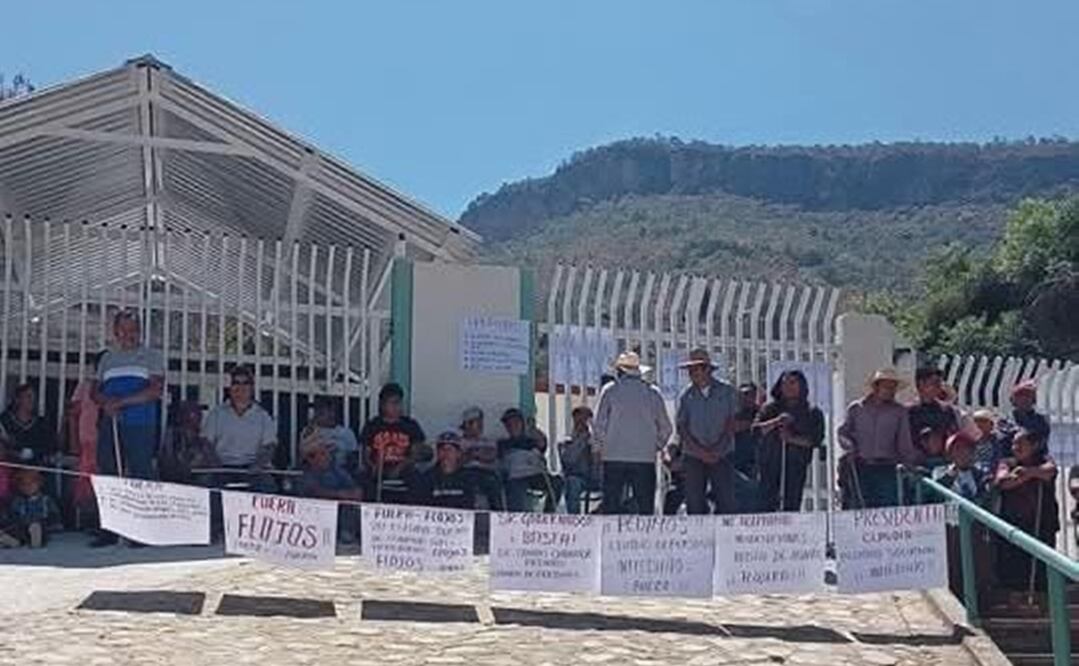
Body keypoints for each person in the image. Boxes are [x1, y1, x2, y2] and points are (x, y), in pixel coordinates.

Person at [593, 351, 672, 514]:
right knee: (644, 508)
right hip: (644, 457)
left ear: (620, 371)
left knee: (611, 507)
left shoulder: (610, 390)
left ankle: (611, 538)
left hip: (613, 455)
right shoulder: (652, 393)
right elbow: (666, 427)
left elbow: (598, 424)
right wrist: (656, 445)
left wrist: (601, 447)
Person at [93, 310, 165, 483]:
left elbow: (155, 390)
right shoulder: (107, 358)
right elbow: (94, 391)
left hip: (140, 424)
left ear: (140, 332)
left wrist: (120, 402)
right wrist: (106, 402)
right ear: (115, 332)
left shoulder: (151, 357)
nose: (129, 334)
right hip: (111, 423)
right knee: (108, 470)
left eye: (133, 330)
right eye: (123, 330)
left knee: (140, 472)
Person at [838, 367, 921, 508]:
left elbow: (904, 441)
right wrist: (849, 446)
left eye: (893, 388)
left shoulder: (899, 412)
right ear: (876, 387)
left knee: (886, 508)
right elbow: (843, 432)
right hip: (861, 467)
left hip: (887, 469)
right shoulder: (856, 409)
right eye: (887, 387)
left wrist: (910, 463)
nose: (891, 391)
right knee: (861, 507)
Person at [993, 428, 1059, 593]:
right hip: (1015, 524)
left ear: (1034, 445)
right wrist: (1028, 476)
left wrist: (1029, 473)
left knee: (1042, 568)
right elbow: (1003, 481)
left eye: (1021, 443)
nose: (1016, 447)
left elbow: (1049, 471)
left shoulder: (1044, 459)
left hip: (1042, 524)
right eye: (1014, 443)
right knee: (1015, 569)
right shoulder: (1007, 463)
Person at [675, 349, 738, 515]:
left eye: (696, 369)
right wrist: (700, 451)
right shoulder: (686, 396)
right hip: (694, 456)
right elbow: (682, 427)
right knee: (694, 502)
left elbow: (731, 422)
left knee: (726, 501)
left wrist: (718, 449)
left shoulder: (727, 392)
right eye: (690, 370)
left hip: (722, 454)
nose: (692, 373)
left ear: (708, 370)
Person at [755, 370, 826, 513]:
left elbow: (815, 440)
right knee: (766, 505)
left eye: (793, 382)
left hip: (796, 465)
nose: (788, 386)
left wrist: (791, 439)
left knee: (791, 504)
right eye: (784, 383)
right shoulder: (770, 409)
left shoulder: (812, 412)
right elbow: (755, 431)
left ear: (802, 385)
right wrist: (776, 422)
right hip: (769, 464)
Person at [200, 366, 278, 493]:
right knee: (204, 487)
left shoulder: (262, 416)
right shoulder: (217, 413)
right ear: (229, 387)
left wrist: (257, 466)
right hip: (222, 467)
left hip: (253, 470)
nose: (240, 388)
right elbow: (205, 443)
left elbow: (270, 446)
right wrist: (216, 466)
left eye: (245, 383)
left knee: (269, 487)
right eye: (236, 383)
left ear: (252, 388)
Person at [358, 383, 427, 504]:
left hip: (404, 468)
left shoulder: (410, 425)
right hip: (379, 467)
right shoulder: (373, 425)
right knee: (364, 482)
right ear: (383, 404)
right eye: (392, 403)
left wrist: (400, 467)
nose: (397, 407)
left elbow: (416, 453)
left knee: (419, 481)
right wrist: (373, 466)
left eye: (399, 403)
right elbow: (366, 454)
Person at [0, 384, 58, 519]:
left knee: (35, 480)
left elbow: (50, 447)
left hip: (35, 466)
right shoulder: (4, 421)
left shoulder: (41, 423)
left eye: (34, 397)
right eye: (28, 397)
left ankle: (42, 519)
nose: (32, 401)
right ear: (18, 399)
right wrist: (14, 453)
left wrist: (35, 455)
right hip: (10, 466)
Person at [297, 436, 362, 544]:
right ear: (310, 458)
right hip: (315, 511)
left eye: (328, 453)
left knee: (352, 504)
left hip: (339, 509)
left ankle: (348, 536)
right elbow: (312, 491)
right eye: (323, 454)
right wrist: (339, 494)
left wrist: (353, 493)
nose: (328, 457)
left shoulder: (337, 470)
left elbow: (354, 488)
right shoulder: (303, 473)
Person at [499, 408, 561, 512]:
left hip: (535, 475)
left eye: (516, 422)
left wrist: (533, 429)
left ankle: (548, 515)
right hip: (516, 477)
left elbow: (542, 444)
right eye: (509, 424)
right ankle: (515, 520)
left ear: (522, 423)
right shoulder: (503, 443)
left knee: (557, 482)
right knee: (513, 487)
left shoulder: (532, 440)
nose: (513, 426)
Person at [66, 353, 103, 513]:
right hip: (87, 440)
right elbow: (73, 414)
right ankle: (86, 519)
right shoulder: (86, 385)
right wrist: (73, 442)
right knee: (85, 480)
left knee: (105, 481)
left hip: (107, 441)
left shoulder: (115, 387)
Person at [907, 367, 959, 472]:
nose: (939, 387)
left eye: (939, 383)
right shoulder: (909, 412)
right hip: (918, 464)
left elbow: (954, 435)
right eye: (935, 383)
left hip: (942, 462)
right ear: (921, 384)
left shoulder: (946, 410)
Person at [158, 401, 218, 484]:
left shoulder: (201, 438)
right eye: (194, 413)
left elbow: (214, 463)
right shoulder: (173, 437)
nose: (199, 416)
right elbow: (176, 465)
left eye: (199, 413)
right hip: (182, 483)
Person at [300, 397, 360, 479]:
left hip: (340, 475)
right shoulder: (309, 431)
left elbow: (354, 459)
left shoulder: (347, 433)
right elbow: (302, 457)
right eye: (318, 410)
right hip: (315, 475)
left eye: (323, 410)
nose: (317, 413)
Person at [1, 468, 60, 548]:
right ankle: (13, 542)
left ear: (39, 484)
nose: (27, 487)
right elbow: (12, 515)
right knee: (13, 532)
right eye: (23, 484)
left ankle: (35, 542)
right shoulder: (18, 500)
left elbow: (54, 515)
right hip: (21, 527)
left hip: (39, 525)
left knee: (36, 526)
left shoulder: (45, 500)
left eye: (31, 484)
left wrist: (53, 524)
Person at [459, 407, 503, 510]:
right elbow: (459, 461)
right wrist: (476, 454)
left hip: (488, 472)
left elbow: (491, 456)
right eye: (475, 422)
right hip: (466, 473)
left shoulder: (488, 441)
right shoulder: (459, 442)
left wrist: (473, 454)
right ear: (467, 424)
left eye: (480, 422)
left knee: (492, 483)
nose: (479, 425)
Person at [418, 431, 475, 510]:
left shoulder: (470, 477)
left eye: (450, 450)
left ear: (458, 453)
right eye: (442, 449)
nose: (446, 453)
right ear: (437, 453)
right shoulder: (427, 477)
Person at [934, 431, 988, 503]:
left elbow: (984, 498)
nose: (964, 452)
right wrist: (950, 475)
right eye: (958, 449)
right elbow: (936, 491)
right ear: (950, 453)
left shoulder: (979, 474)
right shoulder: (940, 471)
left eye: (967, 448)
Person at [731, 383, 761, 512]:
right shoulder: (731, 413)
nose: (746, 398)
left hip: (755, 463)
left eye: (750, 394)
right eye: (743, 394)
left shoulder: (761, 412)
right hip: (732, 463)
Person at [560, 406, 595, 514]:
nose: (582, 424)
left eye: (584, 420)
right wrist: (580, 440)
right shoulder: (568, 442)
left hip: (599, 477)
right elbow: (568, 460)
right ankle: (575, 519)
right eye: (579, 420)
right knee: (572, 483)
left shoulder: (597, 438)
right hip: (580, 477)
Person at [1007, 381, 1050, 449]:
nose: (1024, 399)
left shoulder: (1041, 420)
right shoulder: (1006, 420)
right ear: (1014, 399)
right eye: (1020, 396)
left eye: (1028, 396)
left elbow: (1040, 441)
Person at [970, 409, 1009, 477]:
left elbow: (999, 458)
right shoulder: (970, 441)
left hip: (993, 471)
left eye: (983, 421)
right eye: (976, 421)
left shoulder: (999, 440)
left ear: (991, 424)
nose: (979, 424)